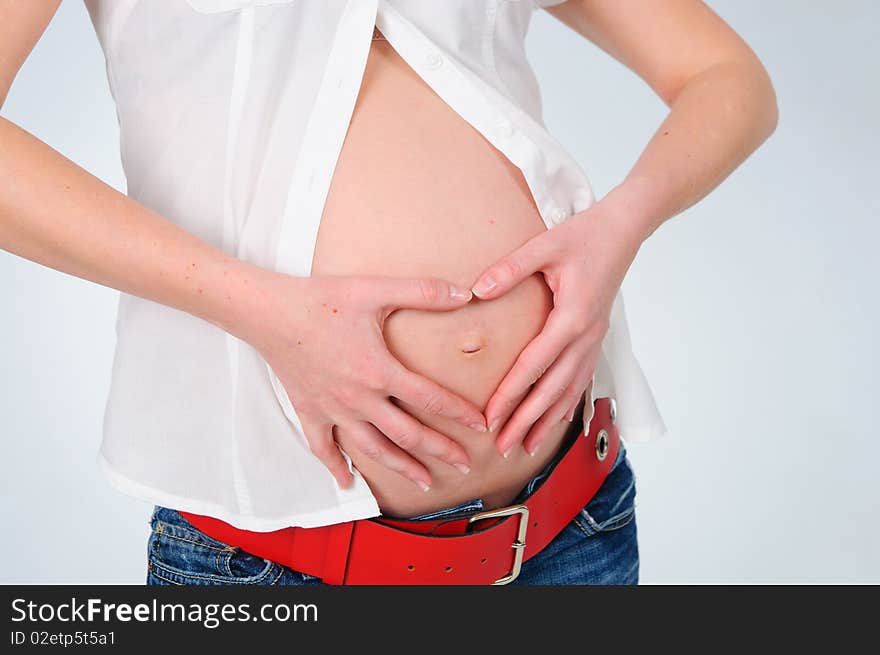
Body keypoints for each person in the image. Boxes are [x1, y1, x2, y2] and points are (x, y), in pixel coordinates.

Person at [0, 0, 777, 585]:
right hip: (272, 568)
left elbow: (727, 76)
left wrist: (621, 225)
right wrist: (264, 312)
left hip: (572, 530)